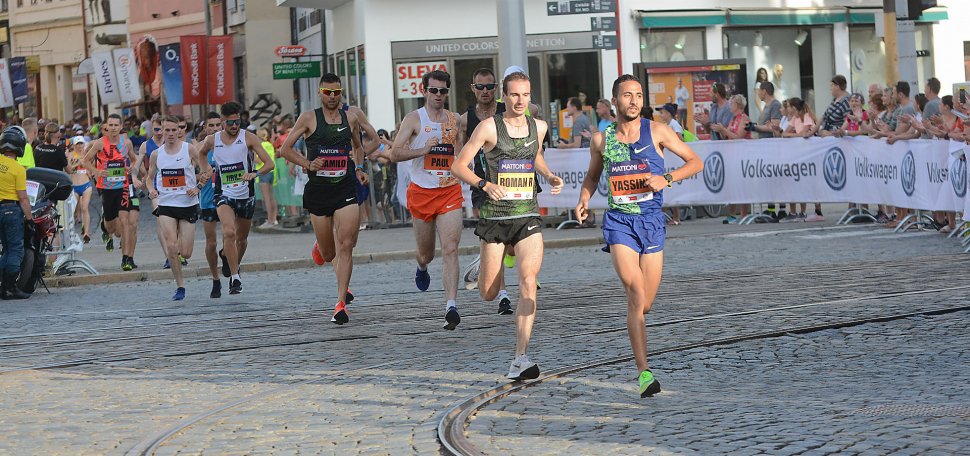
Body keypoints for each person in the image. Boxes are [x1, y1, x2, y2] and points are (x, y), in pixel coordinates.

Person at [575, 74, 702, 397]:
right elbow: (591, 177)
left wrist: (667, 178)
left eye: (638, 95)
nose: (634, 101)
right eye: (627, 95)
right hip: (619, 223)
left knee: (644, 304)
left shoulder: (657, 131)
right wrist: (584, 200)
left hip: (652, 222)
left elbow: (695, 161)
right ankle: (644, 372)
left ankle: (639, 324)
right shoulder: (602, 140)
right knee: (634, 291)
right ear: (615, 101)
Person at [453, 70, 564, 380]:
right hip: (495, 219)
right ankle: (484, 260)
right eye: (514, 95)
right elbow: (458, 165)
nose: (520, 101)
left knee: (529, 280)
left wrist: (549, 175)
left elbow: (536, 155)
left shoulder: (538, 126)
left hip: (527, 215)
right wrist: (483, 185)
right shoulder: (489, 128)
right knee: (488, 293)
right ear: (504, 96)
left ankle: (521, 357)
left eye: (525, 95)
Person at [280, 73, 367, 324]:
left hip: (345, 189)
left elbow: (358, 147)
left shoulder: (351, 118)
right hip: (318, 191)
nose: (332, 97)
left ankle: (341, 304)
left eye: (336, 92)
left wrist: (359, 169)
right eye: (327, 93)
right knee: (329, 254)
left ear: (341, 93)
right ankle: (320, 245)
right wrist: (308, 164)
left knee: (347, 242)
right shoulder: (308, 118)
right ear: (320, 93)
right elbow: (285, 149)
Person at [390, 69, 466, 330]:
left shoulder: (454, 120)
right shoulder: (413, 119)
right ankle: (421, 267)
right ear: (424, 91)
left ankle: (451, 306)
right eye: (433, 90)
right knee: (427, 254)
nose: (438, 95)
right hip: (422, 192)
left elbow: (461, 147)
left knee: (451, 249)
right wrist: (423, 149)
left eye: (443, 90)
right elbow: (394, 154)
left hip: (449, 190)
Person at [197, 101, 275, 295]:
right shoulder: (212, 140)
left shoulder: (248, 137)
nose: (234, 126)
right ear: (223, 121)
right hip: (223, 193)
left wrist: (254, 174)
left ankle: (230, 258)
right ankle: (235, 277)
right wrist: (205, 169)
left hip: (246, 195)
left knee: (241, 239)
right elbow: (201, 153)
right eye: (230, 123)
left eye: (238, 122)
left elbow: (269, 163)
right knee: (228, 233)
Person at [145, 115, 205, 300]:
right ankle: (180, 286)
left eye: (175, 129)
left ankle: (180, 243)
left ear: (180, 130)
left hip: (187, 204)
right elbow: (149, 178)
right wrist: (151, 190)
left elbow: (207, 170)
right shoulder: (156, 154)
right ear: (161, 130)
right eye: (167, 130)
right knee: (171, 246)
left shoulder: (189, 149)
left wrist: (197, 187)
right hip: (166, 204)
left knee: (185, 252)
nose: (171, 133)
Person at [82, 114, 140, 270]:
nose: (113, 128)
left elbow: (134, 159)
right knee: (112, 228)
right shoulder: (100, 143)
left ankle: (126, 259)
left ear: (121, 127)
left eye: (116, 125)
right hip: (106, 188)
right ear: (106, 127)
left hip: (123, 186)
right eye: (110, 125)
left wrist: (130, 167)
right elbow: (85, 161)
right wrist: (96, 171)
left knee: (125, 222)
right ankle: (105, 224)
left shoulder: (126, 143)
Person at [0, 127, 33, 300]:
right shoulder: (18, 169)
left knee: (5, 250)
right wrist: (29, 219)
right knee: (15, 250)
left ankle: (2, 287)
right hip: (11, 210)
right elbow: (23, 198)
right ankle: (10, 288)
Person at [711, 95, 752, 223]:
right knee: (734, 184)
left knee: (743, 184)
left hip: (742, 154)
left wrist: (724, 130)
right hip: (732, 154)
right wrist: (720, 130)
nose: (729, 106)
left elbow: (739, 136)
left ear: (737, 105)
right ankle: (735, 213)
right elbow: (727, 135)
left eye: (731, 104)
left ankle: (744, 213)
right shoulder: (734, 119)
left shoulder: (744, 119)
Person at [199, 112, 225, 298]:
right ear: (205, 128)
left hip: (228, 198)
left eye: (218, 125)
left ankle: (227, 255)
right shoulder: (200, 149)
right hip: (208, 200)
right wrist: (200, 175)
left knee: (231, 236)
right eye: (211, 126)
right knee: (211, 242)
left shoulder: (229, 146)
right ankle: (215, 279)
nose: (215, 129)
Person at [658, 103, 685, 225]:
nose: (660, 115)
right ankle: (662, 216)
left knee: (672, 187)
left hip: (673, 159)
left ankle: (676, 217)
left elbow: (680, 139)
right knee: (665, 187)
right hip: (667, 160)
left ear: (669, 113)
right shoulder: (665, 125)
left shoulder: (674, 124)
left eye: (662, 112)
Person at [66, 136, 93, 243]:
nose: (80, 146)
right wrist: (78, 163)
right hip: (74, 185)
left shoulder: (87, 155)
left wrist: (90, 172)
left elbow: (91, 167)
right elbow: (67, 169)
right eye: (78, 144)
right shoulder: (71, 155)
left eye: (81, 143)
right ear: (74, 145)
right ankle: (72, 231)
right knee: (75, 212)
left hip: (86, 184)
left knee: (85, 208)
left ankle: (86, 233)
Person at [255, 128, 279, 228]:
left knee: (266, 198)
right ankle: (274, 218)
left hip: (263, 171)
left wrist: (252, 156)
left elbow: (260, 161)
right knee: (272, 197)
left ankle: (270, 220)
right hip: (272, 172)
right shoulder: (269, 145)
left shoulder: (260, 146)